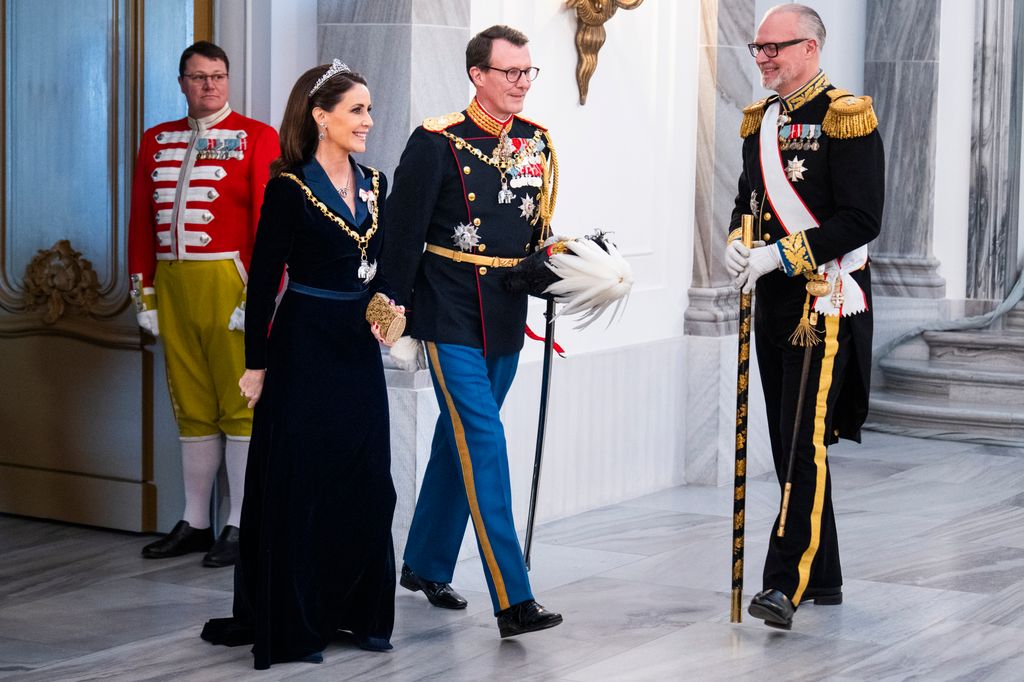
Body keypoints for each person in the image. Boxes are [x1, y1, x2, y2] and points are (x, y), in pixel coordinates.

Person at [200, 61, 401, 668]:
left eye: (369, 108)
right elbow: (263, 284)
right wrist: (255, 365)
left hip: (357, 350)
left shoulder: (375, 181)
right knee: (302, 482)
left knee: (365, 478)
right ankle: (295, 619)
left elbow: (383, 266)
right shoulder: (288, 187)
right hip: (303, 347)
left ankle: (355, 612)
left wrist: (391, 318)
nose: (368, 120)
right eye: (357, 110)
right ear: (322, 116)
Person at [384, 24, 563, 638]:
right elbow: (400, 235)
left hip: (507, 313)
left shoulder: (538, 142)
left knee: (453, 440)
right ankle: (514, 598)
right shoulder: (437, 142)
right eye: (508, 72)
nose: (520, 84)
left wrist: (567, 270)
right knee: (483, 441)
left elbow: (535, 232)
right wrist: (393, 315)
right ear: (477, 75)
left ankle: (426, 563)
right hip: (448, 309)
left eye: (527, 72)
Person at [725, 4, 884, 630]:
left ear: (811, 48)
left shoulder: (845, 116)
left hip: (826, 296)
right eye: (758, 49)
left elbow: (861, 219)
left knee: (801, 440)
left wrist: (779, 254)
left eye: (774, 48)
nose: (762, 58)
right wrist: (738, 242)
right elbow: (748, 199)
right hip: (774, 299)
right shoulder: (758, 123)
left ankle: (782, 584)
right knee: (786, 439)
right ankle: (825, 576)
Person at [128, 41, 279, 567]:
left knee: (240, 406)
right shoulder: (155, 140)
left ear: (228, 79)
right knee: (190, 405)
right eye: (197, 77)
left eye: (217, 76)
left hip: (230, 283)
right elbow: (140, 222)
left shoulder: (258, 138)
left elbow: (270, 225)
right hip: (173, 285)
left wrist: (259, 297)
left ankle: (240, 522)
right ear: (182, 82)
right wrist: (142, 290)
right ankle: (195, 521)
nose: (208, 85)